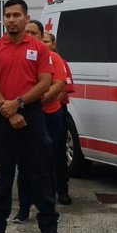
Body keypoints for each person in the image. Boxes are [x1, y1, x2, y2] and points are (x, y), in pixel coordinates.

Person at [0, 0, 62, 233]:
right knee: (3, 174)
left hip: (32, 115)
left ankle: (48, 227)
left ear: (26, 19)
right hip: (4, 117)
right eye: (7, 15)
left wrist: (19, 104)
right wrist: (8, 109)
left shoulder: (39, 49)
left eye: (16, 15)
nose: (11, 20)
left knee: (39, 173)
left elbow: (45, 83)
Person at [13, 20, 67, 223]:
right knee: (24, 164)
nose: (29, 35)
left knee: (47, 161)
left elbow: (58, 84)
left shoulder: (52, 57)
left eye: (33, 33)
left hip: (49, 114)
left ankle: (47, 207)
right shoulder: (17, 54)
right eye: (26, 32)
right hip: (23, 114)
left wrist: (36, 100)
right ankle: (23, 208)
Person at [43, 30, 75, 206]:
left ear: (53, 44)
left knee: (58, 152)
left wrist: (48, 100)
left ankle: (62, 190)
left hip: (57, 110)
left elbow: (63, 88)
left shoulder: (60, 62)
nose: (44, 44)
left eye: (47, 41)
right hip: (39, 110)